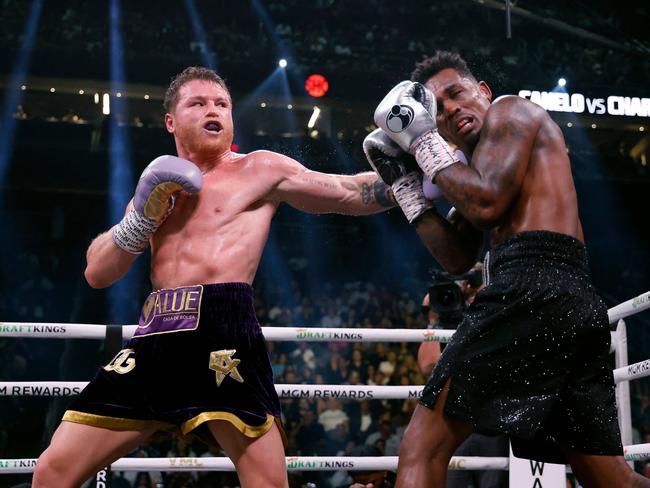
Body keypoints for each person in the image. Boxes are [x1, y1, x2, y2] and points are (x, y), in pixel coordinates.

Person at [32, 66, 395, 488]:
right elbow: (97, 272)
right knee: (52, 470)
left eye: (222, 104)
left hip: (224, 328)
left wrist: (418, 175)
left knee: (267, 483)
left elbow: (350, 192)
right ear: (171, 121)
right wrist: (140, 222)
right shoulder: (156, 186)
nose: (214, 110)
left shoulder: (259, 168)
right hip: (156, 332)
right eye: (199, 103)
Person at [364, 51, 649, 487]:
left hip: (530, 288)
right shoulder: (479, 167)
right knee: (612, 479)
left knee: (421, 447)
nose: (451, 110)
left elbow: (485, 202)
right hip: (569, 301)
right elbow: (457, 257)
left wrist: (422, 145)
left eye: (456, 94)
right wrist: (406, 188)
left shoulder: (511, 110)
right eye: (436, 112)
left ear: (483, 92)